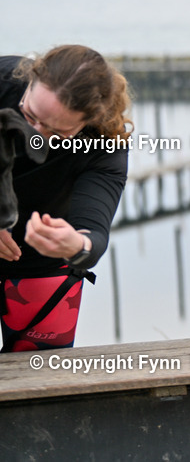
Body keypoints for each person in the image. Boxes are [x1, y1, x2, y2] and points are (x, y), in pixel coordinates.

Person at [0, 45, 132, 352]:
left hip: (39, 261)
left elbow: (93, 234)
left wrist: (77, 245)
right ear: (29, 81)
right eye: (29, 114)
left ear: (86, 123)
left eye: (54, 131)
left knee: (41, 384)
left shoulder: (105, 142)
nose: (33, 133)